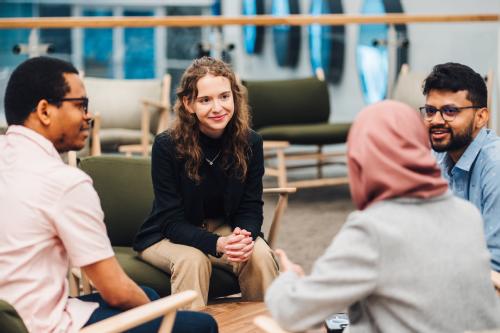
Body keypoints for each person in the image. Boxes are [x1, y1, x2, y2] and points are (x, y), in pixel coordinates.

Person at [0, 56, 218, 333]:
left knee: (148, 294)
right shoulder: (64, 183)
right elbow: (116, 291)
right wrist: (162, 314)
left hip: (11, 314)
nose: (88, 115)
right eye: (80, 105)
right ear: (44, 111)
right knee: (201, 325)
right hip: (41, 326)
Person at [265, 100, 500, 332]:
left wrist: (288, 278)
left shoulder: (373, 229)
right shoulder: (466, 214)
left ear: (358, 161)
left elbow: (291, 312)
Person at [133, 56, 278, 309]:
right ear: (188, 104)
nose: (217, 107)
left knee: (260, 254)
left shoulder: (251, 142)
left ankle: (265, 326)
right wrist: (217, 244)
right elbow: (170, 220)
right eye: (205, 100)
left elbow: (251, 206)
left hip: (224, 228)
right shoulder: (167, 146)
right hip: (166, 234)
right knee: (193, 260)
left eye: (224, 96)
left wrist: (244, 237)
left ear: (235, 97)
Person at [420, 63, 500, 280]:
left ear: (481, 117)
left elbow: (496, 263)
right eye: (430, 111)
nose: (436, 121)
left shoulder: (495, 166)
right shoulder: (435, 156)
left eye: (450, 111)